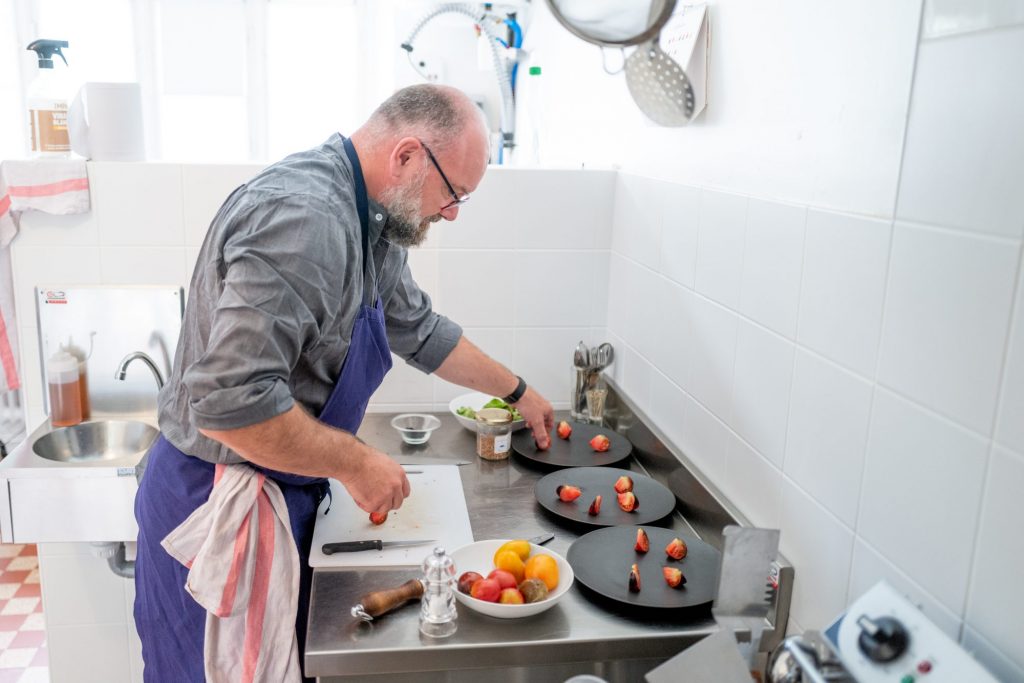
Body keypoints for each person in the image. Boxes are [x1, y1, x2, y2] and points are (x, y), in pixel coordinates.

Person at [133, 83, 554, 681]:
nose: (453, 211)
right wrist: (355, 462)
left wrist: (517, 391)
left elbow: (418, 328)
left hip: (284, 488)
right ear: (407, 155)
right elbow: (232, 406)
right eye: (454, 191)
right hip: (218, 500)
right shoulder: (306, 220)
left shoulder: (372, 219)